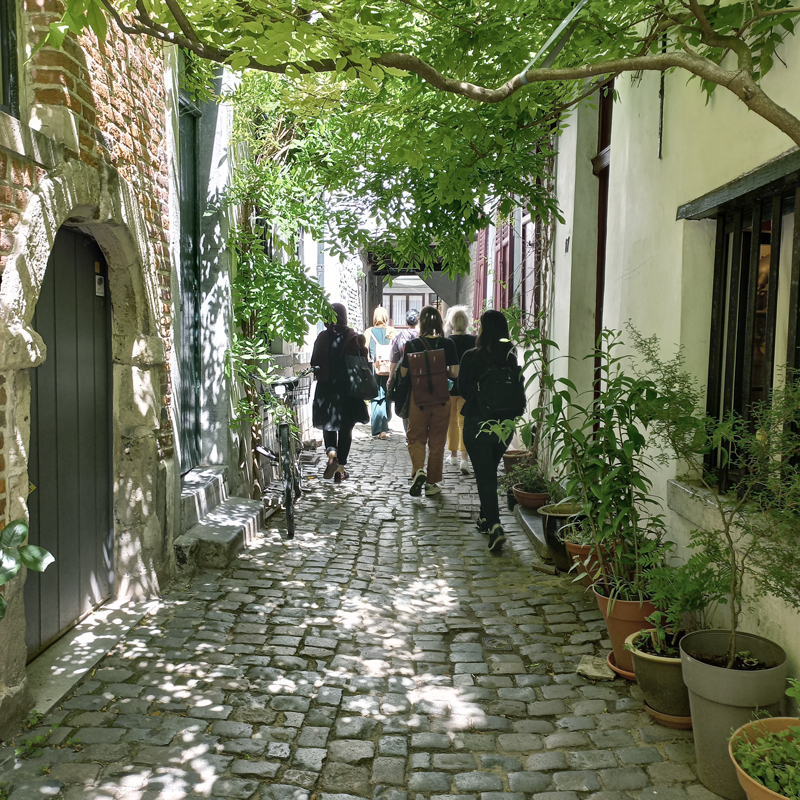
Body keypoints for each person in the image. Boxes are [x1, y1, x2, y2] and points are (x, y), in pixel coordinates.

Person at [458, 309, 518, 553]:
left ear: (483, 329)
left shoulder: (471, 356)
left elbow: (462, 389)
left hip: (478, 423)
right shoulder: (510, 355)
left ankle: (495, 526)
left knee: (484, 474)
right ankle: (485, 517)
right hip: (505, 425)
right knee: (489, 471)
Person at [400, 306, 459, 497]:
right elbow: (455, 373)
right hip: (441, 399)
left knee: (416, 437)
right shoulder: (448, 344)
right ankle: (432, 483)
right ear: (440, 323)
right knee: (437, 441)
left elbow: (403, 373)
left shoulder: (413, 345)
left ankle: (418, 471)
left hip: (419, 399)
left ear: (421, 323)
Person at [310, 302, 369, 483]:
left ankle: (331, 454)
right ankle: (340, 470)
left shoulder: (322, 337)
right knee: (345, 429)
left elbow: (314, 362)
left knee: (329, 425)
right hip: (348, 391)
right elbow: (363, 363)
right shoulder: (354, 338)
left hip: (327, 389)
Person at [445, 306, 477, 475]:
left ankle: (453, 456)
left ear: (451, 324)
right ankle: (465, 459)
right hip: (467, 388)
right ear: (466, 323)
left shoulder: (448, 341)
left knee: (451, 422)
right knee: (464, 424)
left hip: (450, 388)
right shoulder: (474, 341)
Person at [363, 306, 396, 439]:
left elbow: (364, 351)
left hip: (375, 368)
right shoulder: (392, 331)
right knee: (387, 394)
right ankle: (385, 426)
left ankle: (378, 428)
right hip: (389, 368)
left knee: (376, 396)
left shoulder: (369, 332)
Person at [388, 308, 420, 432]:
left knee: (404, 400)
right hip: (420, 372)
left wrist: (391, 377)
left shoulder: (399, 336)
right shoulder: (421, 336)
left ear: (406, 323)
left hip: (403, 373)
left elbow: (394, 360)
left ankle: (408, 431)